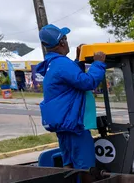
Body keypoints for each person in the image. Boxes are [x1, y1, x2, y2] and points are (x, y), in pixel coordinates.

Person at [34, 24, 107, 169]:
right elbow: (87, 82)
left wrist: (79, 60)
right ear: (62, 42)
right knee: (86, 168)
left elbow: (72, 78)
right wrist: (98, 63)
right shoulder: (62, 64)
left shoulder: (53, 64)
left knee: (69, 165)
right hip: (74, 126)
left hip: (63, 126)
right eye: (65, 39)